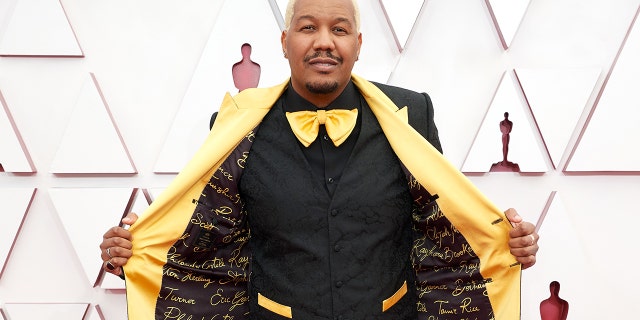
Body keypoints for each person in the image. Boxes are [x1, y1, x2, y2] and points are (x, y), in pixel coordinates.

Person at [100, 0, 539, 319]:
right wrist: (133, 254)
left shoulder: (412, 116)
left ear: (359, 43)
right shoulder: (235, 126)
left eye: (340, 29)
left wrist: (508, 242)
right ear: (285, 41)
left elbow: (443, 231)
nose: (324, 43)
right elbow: (208, 243)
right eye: (308, 28)